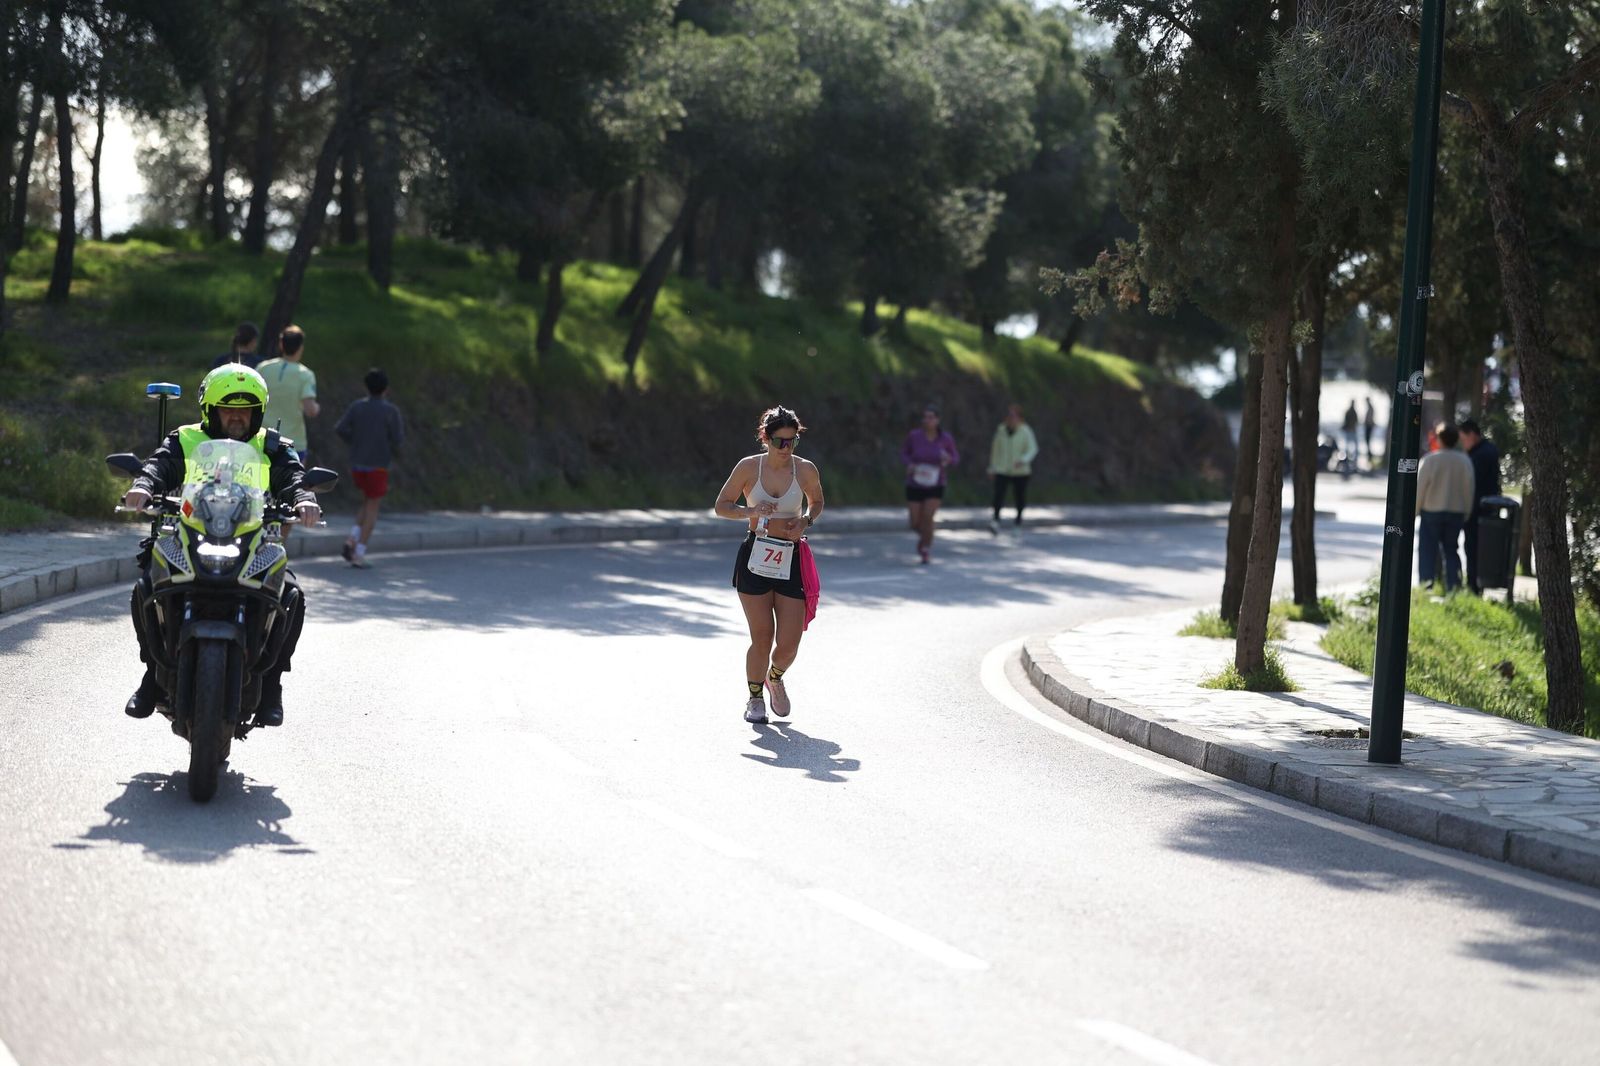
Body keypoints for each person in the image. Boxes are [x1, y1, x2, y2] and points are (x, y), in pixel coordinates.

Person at [120, 365, 322, 727]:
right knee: (147, 585)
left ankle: (272, 686)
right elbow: (157, 466)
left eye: (246, 410)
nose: (237, 418)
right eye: (228, 409)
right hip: (190, 534)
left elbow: (294, 478)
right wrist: (143, 487)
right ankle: (152, 673)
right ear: (210, 410)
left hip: (253, 540)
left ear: (258, 412)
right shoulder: (184, 439)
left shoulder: (274, 446)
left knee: (291, 594)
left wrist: (304, 499)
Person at [714, 405, 825, 724]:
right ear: (765, 438)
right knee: (762, 636)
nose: (786, 448)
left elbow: (817, 502)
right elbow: (721, 506)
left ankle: (774, 677)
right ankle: (754, 698)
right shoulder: (749, 467)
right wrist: (749, 512)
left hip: (791, 557)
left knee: (789, 643)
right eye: (780, 442)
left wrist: (806, 520)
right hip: (756, 555)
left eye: (793, 441)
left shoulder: (805, 469)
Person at [335, 367, 405, 569]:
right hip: (378, 465)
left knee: (367, 501)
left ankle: (352, 538)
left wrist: (354, 441)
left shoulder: (357, 406)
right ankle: (359, 553)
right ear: (386, 389)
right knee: (373, 507)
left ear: (366, 387)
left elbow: (340, 428)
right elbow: (398, 440)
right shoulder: (391, 411)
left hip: (357, 464)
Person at [1415, 422, 1475, 593]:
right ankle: (1454, 587)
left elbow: (1420, 488)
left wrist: (1416, 509)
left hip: (1431, 510)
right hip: (1456, 511)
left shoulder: (1430, 460)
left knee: (1427, 550)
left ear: (1439, 439)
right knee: (1451, 550)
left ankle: (1426, 586)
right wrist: (1467, 511)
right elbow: (1469, 488)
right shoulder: (1464, 461)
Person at [901, 404, 959, 564]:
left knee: (928, 516)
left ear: (938, 420)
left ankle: (925, 547)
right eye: (925, 417)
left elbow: (955, 458)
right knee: (914, 522)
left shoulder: (945, 439)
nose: (927, 420)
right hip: (915, 482)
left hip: (936, 483)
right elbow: (904, 453)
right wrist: (909, 464)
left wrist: (948, 459)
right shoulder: (914, 436)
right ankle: (927, 535)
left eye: (931, 417)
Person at [257, 325, 320, 463]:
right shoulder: (305, 375)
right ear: (301, 347)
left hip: (262, 438)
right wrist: (316, 407)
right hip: (294, 443)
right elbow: (310, 410)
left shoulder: (263, 368)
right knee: (293, 477)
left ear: (281, 344)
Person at [1458, 418, 1502, 594]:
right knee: (1478, 547)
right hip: (1485, 507)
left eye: (1464, 439)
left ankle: (1473, 586)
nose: (1463, 444)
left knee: (1473, 547)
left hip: (1477, 508)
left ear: (1472, 435)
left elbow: (1472, 482)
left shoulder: (1479, 454)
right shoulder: (1487, 449)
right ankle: (1475, 585)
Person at [987, 403, 1039, 532]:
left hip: (1020, 471)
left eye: (1014, 416)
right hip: (1002, 468)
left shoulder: (1026, 431)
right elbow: (995, 450)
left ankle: (1018, 522)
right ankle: (995, 520)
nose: (1011, 419)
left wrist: (1023, 460)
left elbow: (1033, 449)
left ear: (1020, 418)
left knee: (1019, 497)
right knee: (998, 495)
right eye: (1009, 416)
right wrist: (992, 467)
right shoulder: (1001, 430)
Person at [1363, 398, 1377, 465]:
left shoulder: (1370, 408)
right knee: (1367, 442)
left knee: (1367, 441)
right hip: (1368, 426)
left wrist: (1367, 423)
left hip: (1369, 426)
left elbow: (1370, 419)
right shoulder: (1370, 407)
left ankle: (1370, 456)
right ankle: (1369, 456)